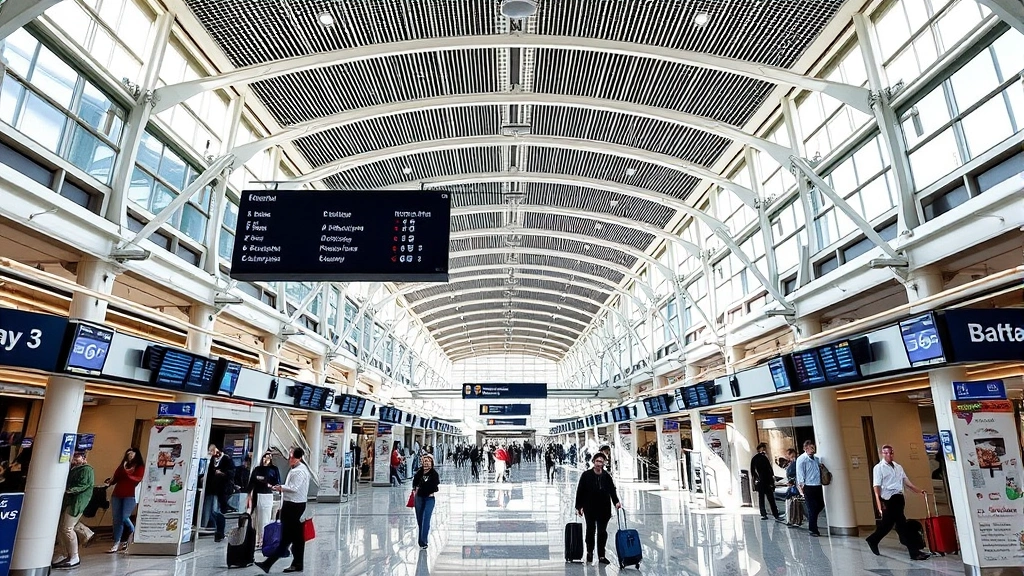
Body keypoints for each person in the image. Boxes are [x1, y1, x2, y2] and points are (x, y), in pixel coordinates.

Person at [866, 445, 929, 560]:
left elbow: (907, 482)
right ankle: (914, 552)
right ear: (882, 454)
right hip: (889, 499)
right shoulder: (878, 468)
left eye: (890, 453)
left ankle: (873, 540)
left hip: (899, 498)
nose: (888, 455)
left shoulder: (898, 467)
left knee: (887, 526)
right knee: (902, 526)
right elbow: (876, 488)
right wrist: (879, 505)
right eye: (886, 453)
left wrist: (919, 491)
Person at [257, 447, 310, 574]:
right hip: (294, 504)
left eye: (291, 457)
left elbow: (294, 487)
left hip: (293, 505)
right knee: (296, 537)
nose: (289, 459)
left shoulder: (299, 471)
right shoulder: (298, 469)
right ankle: (294, 563)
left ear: (298, 458)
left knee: (288, 536)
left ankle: (269, 563)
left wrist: (281, 488)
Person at [574, 453, 622, 565]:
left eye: (601, 462)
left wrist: (616, 502)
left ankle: (601, 555)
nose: (599, 464)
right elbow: (580, 491)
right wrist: (578, 506)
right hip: (589, 507)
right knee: (590, 530)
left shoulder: (606, 476)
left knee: (602, 532)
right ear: (593, 462)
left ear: (604, 463)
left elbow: (612, 490)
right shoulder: (586, 475)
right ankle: (590, 552)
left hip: (604, 508)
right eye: (597, 461)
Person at [52, 451, 94, 569]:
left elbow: (83, 485)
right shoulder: (73, 468)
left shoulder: (86, 469)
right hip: (70, 502)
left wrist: (68, 490)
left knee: (66, 528)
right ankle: (65, 553)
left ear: (84, 458)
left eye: (77, 456)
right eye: (73, 456)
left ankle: (74, 557)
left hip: (77, 502)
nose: (74, 459)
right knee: (63, 528)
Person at [106, 447, 145, 553]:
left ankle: (133, 533)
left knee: (124, 517)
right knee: (116, 519)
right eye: (128, 454)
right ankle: (116, 542)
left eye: (132, 454)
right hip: (117, 494)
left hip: (131, 495)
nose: (130, 455)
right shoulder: (123, 465)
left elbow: (138, 478)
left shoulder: (140, 467)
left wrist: (127, 473)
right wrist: (110, 481)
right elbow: (116, 477)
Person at [247, 451, 281, 548]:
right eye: (264, 458)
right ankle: (257, 539)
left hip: (266, 494)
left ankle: (264, 539)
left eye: (268, 458)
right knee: (256, 518)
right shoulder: (257, 469)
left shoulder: (273, 469)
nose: (265, 460)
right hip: (257, 495)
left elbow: (277, 482)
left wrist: (271, 485)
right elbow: (252, 482)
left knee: (265, 518)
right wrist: (248, 494)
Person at [206, 444, 235, 542]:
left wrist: (222, 473)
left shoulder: (227, 459)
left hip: (223, 489)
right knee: (213, 510)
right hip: (213, 488)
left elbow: (231, 473)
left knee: (217, 510)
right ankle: (217, 530)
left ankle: (219, 532)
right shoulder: (212, 461)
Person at [796, 440, 825, 537]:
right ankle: (813, 529)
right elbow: (800, 473)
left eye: (813, 447)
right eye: (810, 448)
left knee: (820, 504)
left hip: (818, 485)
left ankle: (812, 518)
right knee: (812, 507)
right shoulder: (802, 459)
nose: (812, 450)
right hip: (808, 486)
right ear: (805, 449)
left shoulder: (816, 459)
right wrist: (801, 487)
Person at [411, 454, 440, 549]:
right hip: (419, 498)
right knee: (420, 520)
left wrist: (424, 488)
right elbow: (414, 485)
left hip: (429, 499)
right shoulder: (418, 474)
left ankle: (424, 541)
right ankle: (421, 541)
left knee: (425, 519)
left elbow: (435, 487)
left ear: (431, 463)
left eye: (428, 461)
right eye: (424, 461)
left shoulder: (434, 474)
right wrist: (416, 490)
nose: (426, 463)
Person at [751, 442, 783, 521]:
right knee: (771, 499)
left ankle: (763, 514)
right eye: (764, 448)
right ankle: (775, 514)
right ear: (761, 449)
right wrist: (771, 481)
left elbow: (753, 472)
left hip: (760, 482)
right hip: (766, 482)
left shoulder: (754, 458)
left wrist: (756, 481)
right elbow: (769, 470)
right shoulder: (764, 458)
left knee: (761, 498)